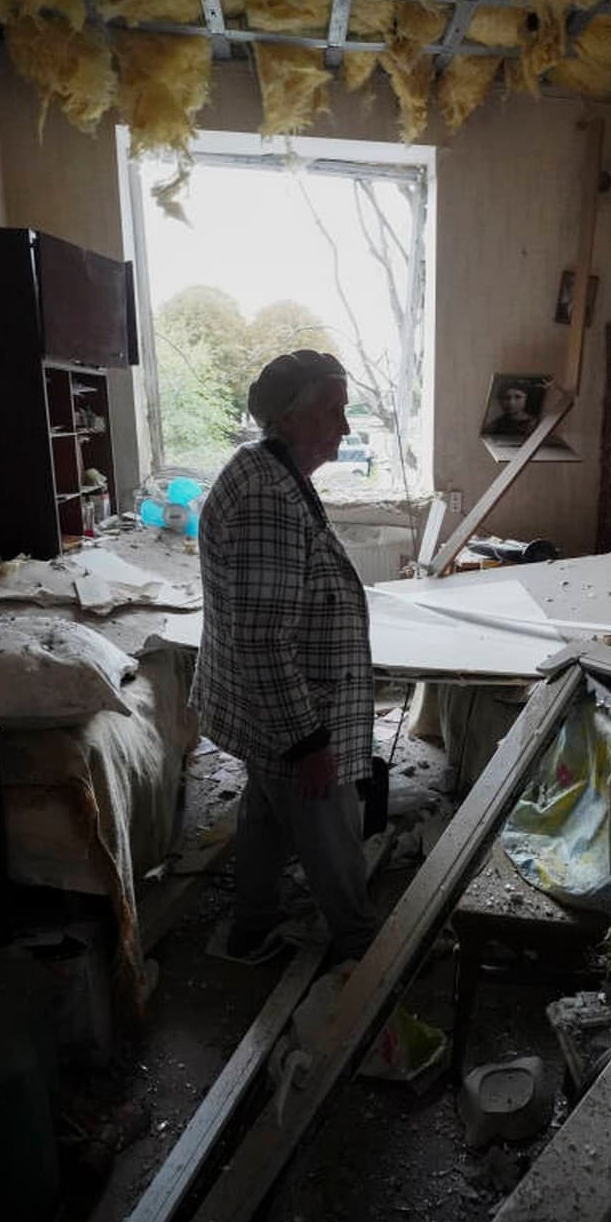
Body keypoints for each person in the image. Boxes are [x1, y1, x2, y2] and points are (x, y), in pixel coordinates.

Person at [193, 350, 377, 961]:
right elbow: (263, 638)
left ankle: (251, 927)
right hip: (295, 718)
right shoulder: (266, 497)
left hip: (272, 712)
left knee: (267, 817)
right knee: (330, 833)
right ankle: (361, 950)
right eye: (333, 410)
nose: (344, 427)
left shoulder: (268, 470)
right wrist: (309, 742)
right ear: (289, 416)